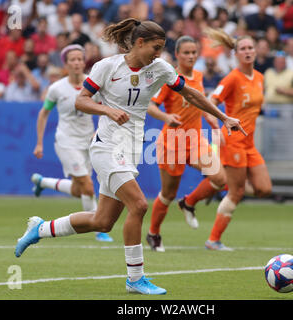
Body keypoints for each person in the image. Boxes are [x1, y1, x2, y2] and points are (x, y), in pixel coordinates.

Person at [14, 19, 243, 295]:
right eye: (155, 48)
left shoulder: (159, 68)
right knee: (138, 204)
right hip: (107, 147)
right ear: (139, 43)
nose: (158, 54)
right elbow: (81, 100)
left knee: (102, 221)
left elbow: (191, 94)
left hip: (130, 151)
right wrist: (107, 110)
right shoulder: (107, 67)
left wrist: (223, 116)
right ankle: (135, 279)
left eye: (162, 49)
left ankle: (40, 228)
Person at [185, 28, 272, 250]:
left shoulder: (260, 78)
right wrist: (218, 124)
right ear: (236, 54)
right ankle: (213, 240)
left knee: (264, 189)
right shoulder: (232, 78)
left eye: (250, 47)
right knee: (236, 192)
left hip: (249, 143)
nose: (248, 51)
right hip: (232, 140)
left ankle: (196, 198)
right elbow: (210, 101)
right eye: (243, 48)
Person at [145, 35, 227, 252]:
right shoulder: (168, 79)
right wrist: (166, 118)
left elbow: (198, 102)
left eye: (193, 52)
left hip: (196, 140)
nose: (190, 56)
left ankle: (188, 203)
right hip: (172, 143)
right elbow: (150, 106)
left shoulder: (198, 76)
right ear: (177, 55)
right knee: (167, 194)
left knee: (220, 178)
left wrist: (210, 117)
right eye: (186, 53)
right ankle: (153, 234)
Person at [30, 44, 113, 242]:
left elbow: (106, 109)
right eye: (72, 60)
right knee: (88, 186)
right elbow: (44, 113)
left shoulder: (92, 85)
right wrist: (39, 143)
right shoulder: (57, 89)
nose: (76, 63)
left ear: (84, 62)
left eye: (79, 59)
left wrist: (98, 131)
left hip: (89, 141)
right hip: (67, 142)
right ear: (66, 64)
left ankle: (43, 182)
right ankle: (98, 229)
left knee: (79, 190)